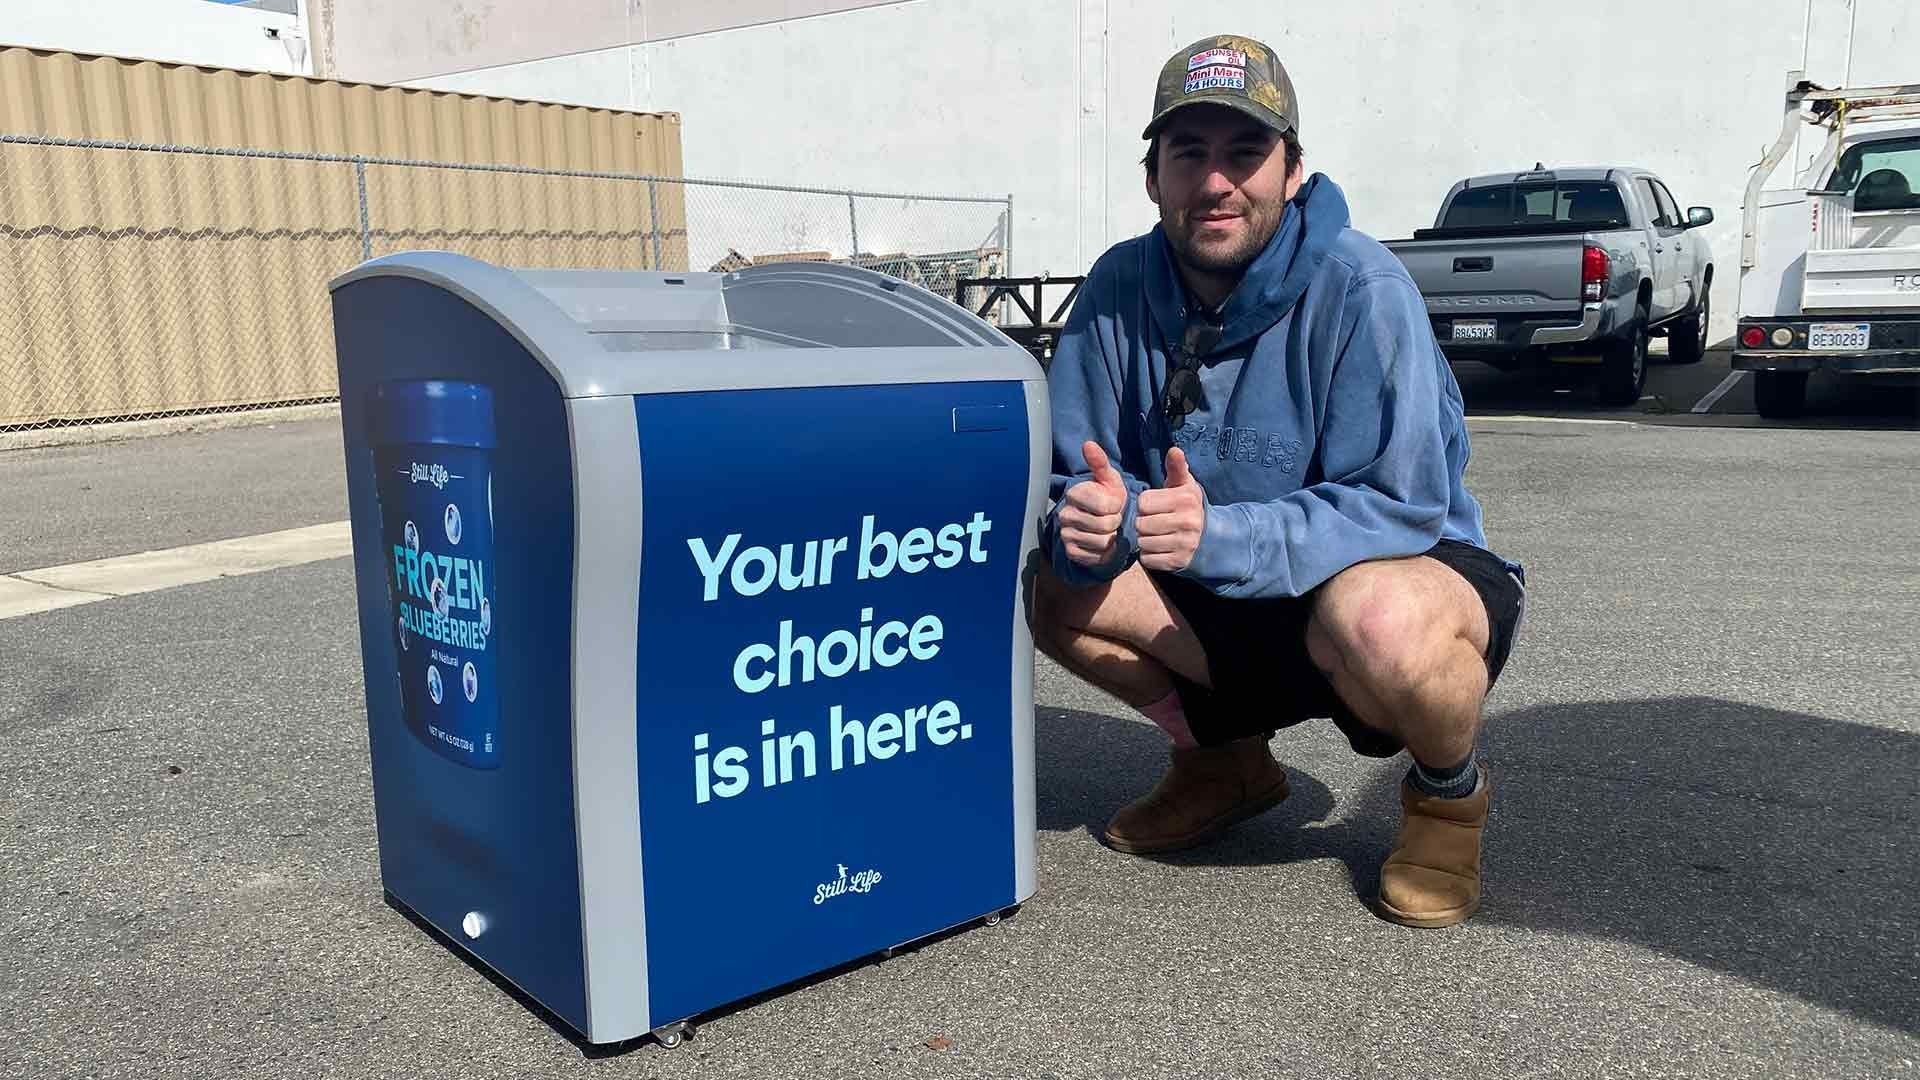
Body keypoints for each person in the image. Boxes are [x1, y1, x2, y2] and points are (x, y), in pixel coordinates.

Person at [1034, 34, 1526, 929]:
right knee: (1060, 593)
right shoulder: (1114, 289)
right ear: (1154, 179)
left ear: (1293, 170)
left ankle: (1448, 794)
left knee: (1375, 619)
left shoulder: (1363, 286)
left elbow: (1402, 503)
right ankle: (1224, 762)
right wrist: (1088, 519)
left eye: (1244, 153)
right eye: (1190, 154)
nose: (1216, 181)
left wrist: (1219, 535)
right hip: (1217, 579)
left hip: (1385, 571)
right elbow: (1078, 473)